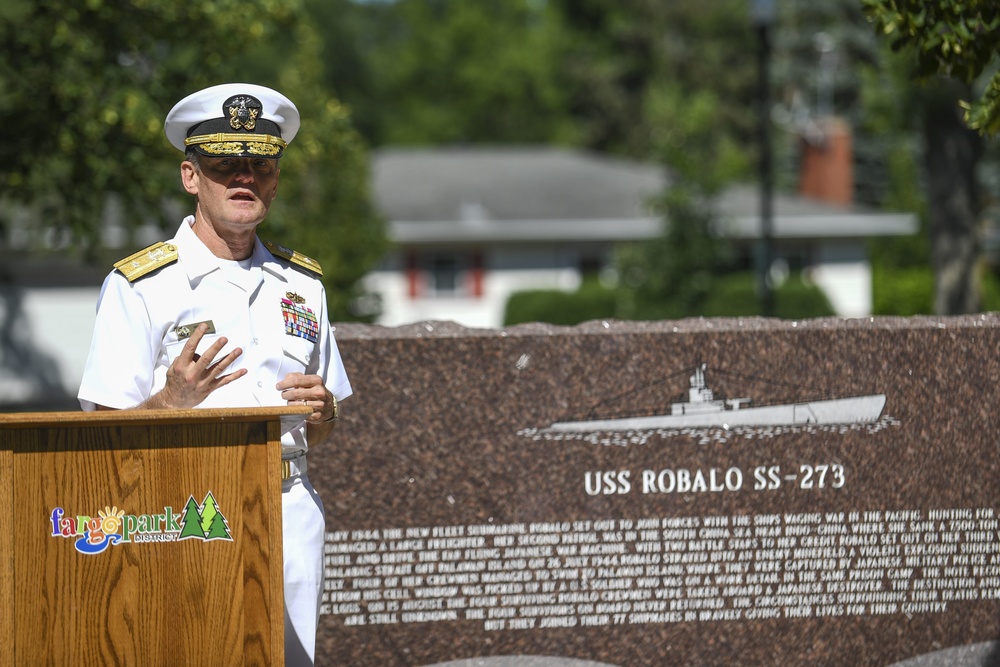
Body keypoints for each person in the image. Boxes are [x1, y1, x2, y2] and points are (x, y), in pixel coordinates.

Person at [78, 82, 351, 666]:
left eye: (260, 166)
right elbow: (100, 434)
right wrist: (170, 401)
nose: (244, 179)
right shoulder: (141, 286)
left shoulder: (304, 285)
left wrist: (325, 411)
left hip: (289, 503)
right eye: (225, 163)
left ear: (275, 180)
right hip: (187, 509)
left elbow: (322, 424)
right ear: (191, 175)